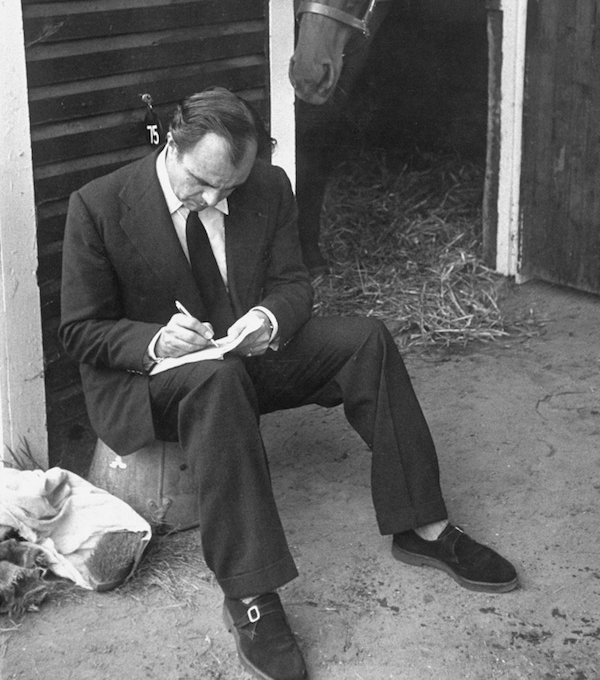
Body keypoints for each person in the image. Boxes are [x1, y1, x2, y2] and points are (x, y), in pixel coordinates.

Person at [60, 87, 518, 680]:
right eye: (202, 183)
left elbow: (295, 284)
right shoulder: (98, 205)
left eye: (229, 187)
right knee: (218, 382)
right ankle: (250, 595)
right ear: (172, 144)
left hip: (241, 355)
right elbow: (81, 330)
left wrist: (269, 318)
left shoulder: (267, 186)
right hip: (159, 380)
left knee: (366, 339)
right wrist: (153, 340)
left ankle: (422, 524)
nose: (215, 198)